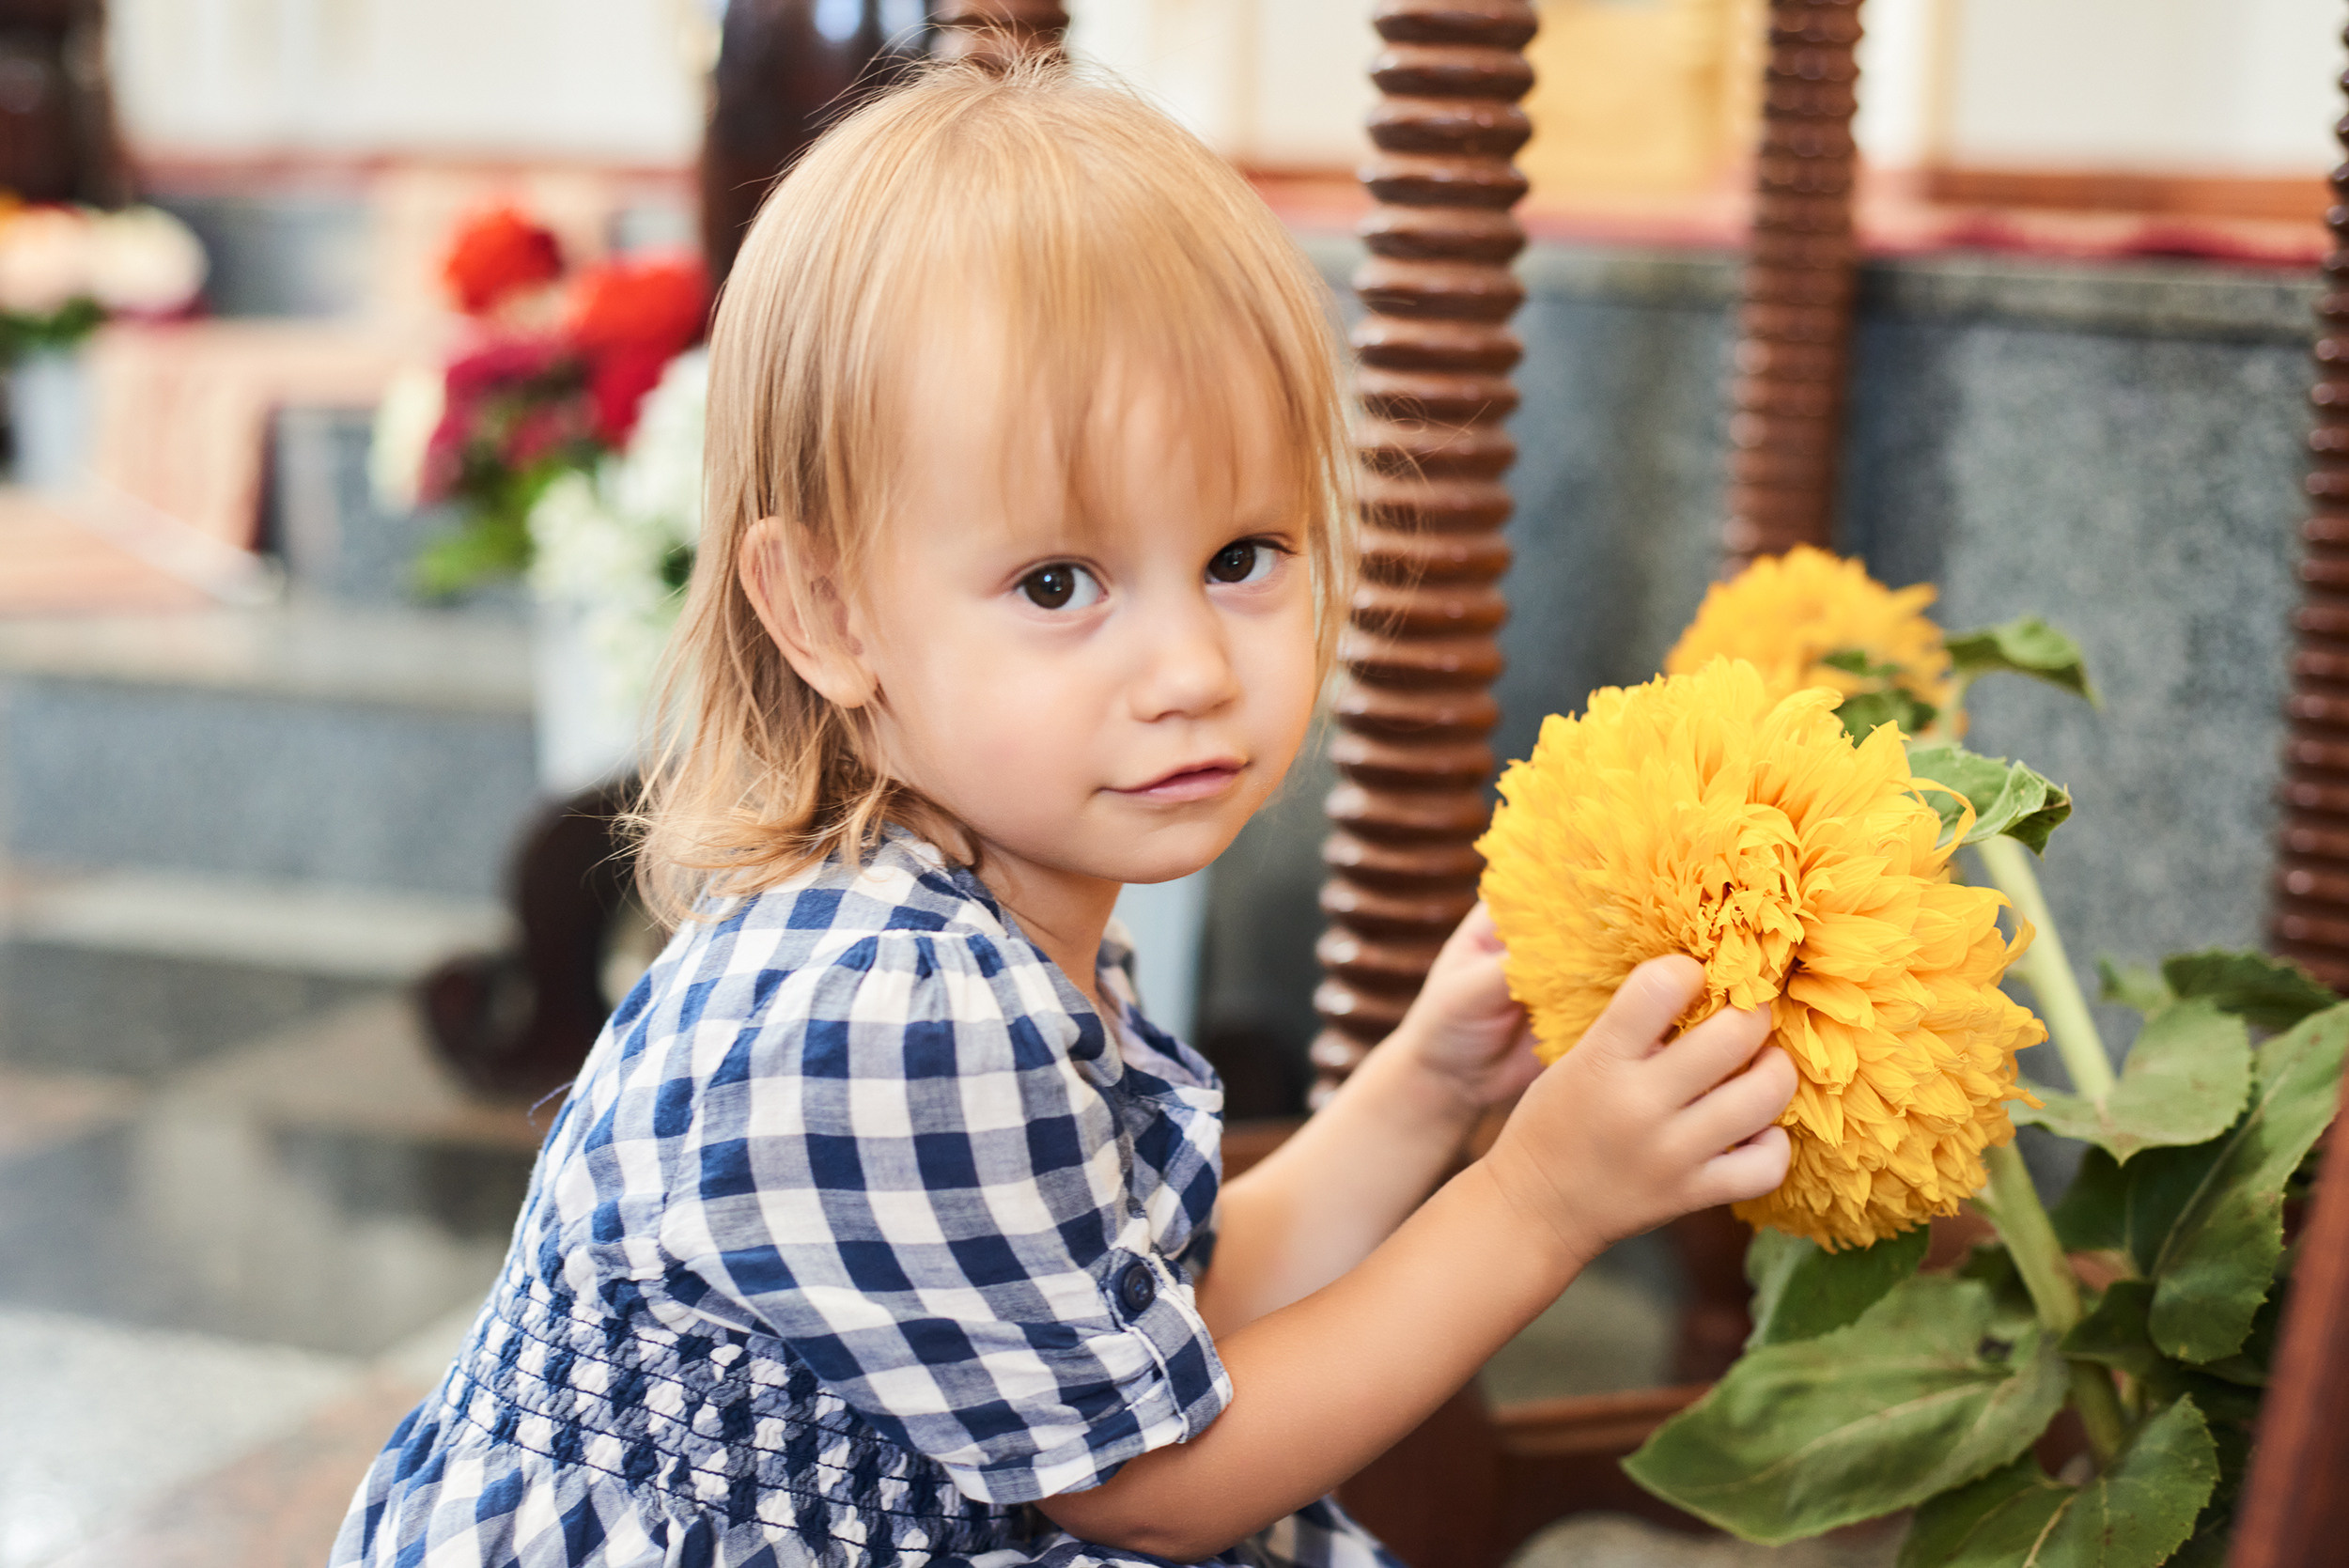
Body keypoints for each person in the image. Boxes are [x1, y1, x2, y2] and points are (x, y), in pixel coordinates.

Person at [331, 60, 1797, 1568]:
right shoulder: (887, 1005)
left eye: (1243, 553)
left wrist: (1424, 1089)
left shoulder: (977, 922)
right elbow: (1157, 1479)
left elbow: (1141, 1331)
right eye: (1056, 584)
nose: (1188, 671)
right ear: (826, 612)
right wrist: (1542, 1198)